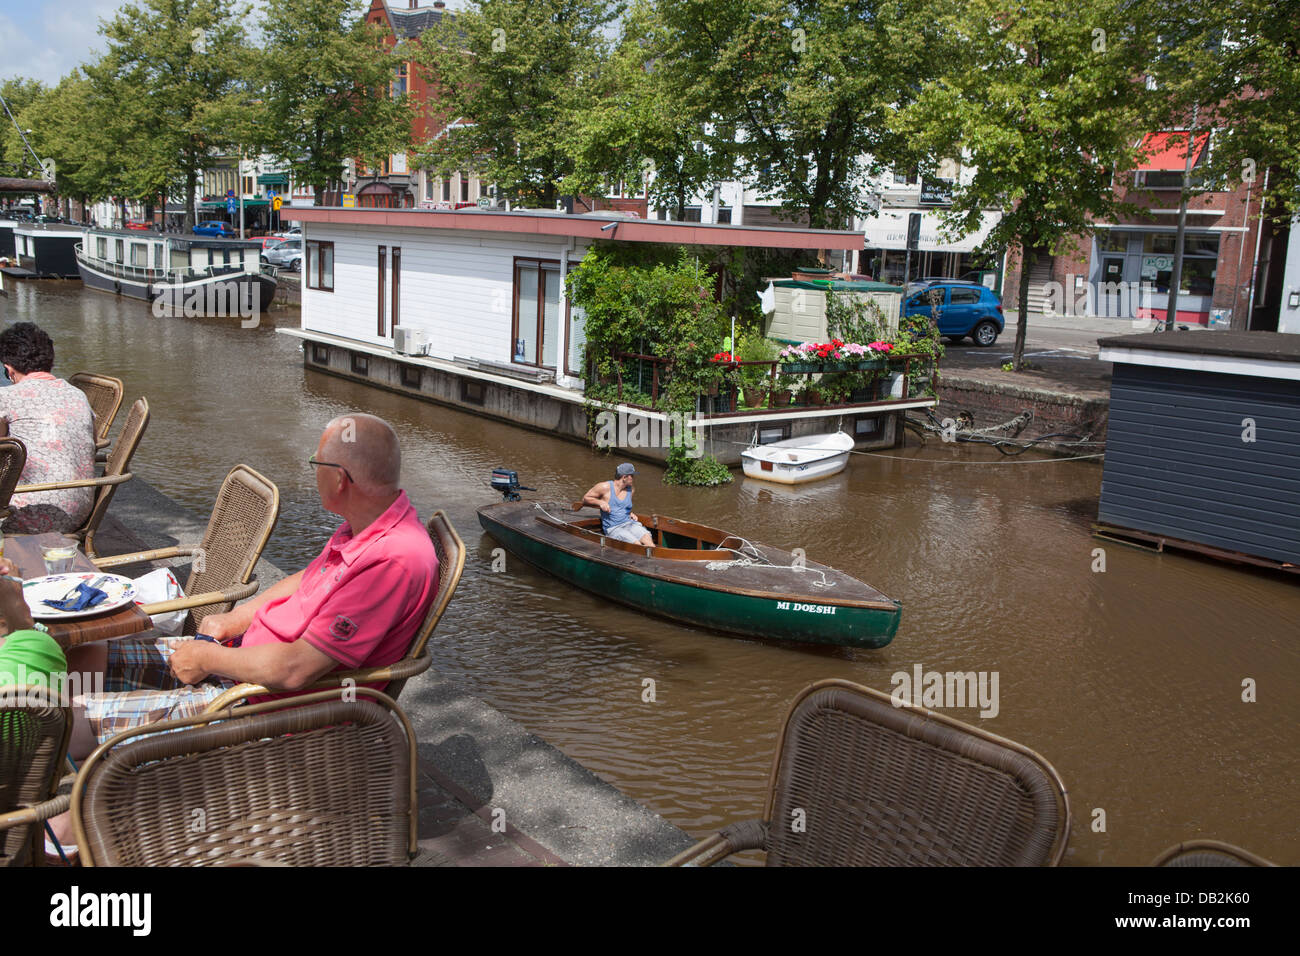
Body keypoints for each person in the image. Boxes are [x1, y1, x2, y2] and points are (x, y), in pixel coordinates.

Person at [62, 413, 440, 754]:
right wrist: (236, 619)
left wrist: (209, 658)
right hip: (241, 665)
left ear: (340, 478)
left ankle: (60, 806)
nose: (312, 469)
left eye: (315, 462)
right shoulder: (371, 524)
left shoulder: (393, 561)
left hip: (264, 708)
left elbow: (296, 670)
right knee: (76, 663)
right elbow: (306, 580)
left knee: (62, 722)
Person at [0, 322, 97, 534]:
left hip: (32, 513)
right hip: (80, 511)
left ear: (9, 370)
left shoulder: (6, 396)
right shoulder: (77, 395)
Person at [582, 463, 654, 547]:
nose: (634, 479)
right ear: (624, 477)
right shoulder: (604, 487)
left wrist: (630, 513)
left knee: (649, 541)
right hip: (614, 528)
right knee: (637, 545)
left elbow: (624, 506)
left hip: (630, 523)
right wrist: (600, 502)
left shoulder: (631, 489)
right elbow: (585, 499)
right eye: (632, 476)